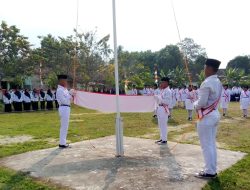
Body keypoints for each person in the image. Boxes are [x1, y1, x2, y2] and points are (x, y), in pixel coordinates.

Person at [194, 58, 222, 178]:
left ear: (210, 68)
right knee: (211, 143)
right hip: (214, 114)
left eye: (205, 67)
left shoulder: (206, 83)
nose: (204, 70)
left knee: (206, 144)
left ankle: (209, 171)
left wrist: (195, 104)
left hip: (207, 116)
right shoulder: (218, 82)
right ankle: (212, 169)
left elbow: (202, 103)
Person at [56, 74, 75, 148]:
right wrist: (70, 94)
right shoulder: (59, 90)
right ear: (61, 81)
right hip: (63, 108)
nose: (66, 82)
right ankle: (62, 143)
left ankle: (63, 142)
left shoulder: (65, 90)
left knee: (65, 126)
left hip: (67, 108)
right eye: (65, 81)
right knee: (64, 126)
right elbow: (64, 101)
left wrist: (72, 95)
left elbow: (71, 101)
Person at [155, 77, 172, 145]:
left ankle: (164, 140)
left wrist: (158, 98)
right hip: (159, 108)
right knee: (160, 124)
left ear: (166, 83)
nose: (161, 84)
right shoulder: (163, 90)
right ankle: (162, 138)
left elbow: (167, 101)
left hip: (164, 108)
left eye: (162, 82)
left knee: (163, 124)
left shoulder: (168, 91)